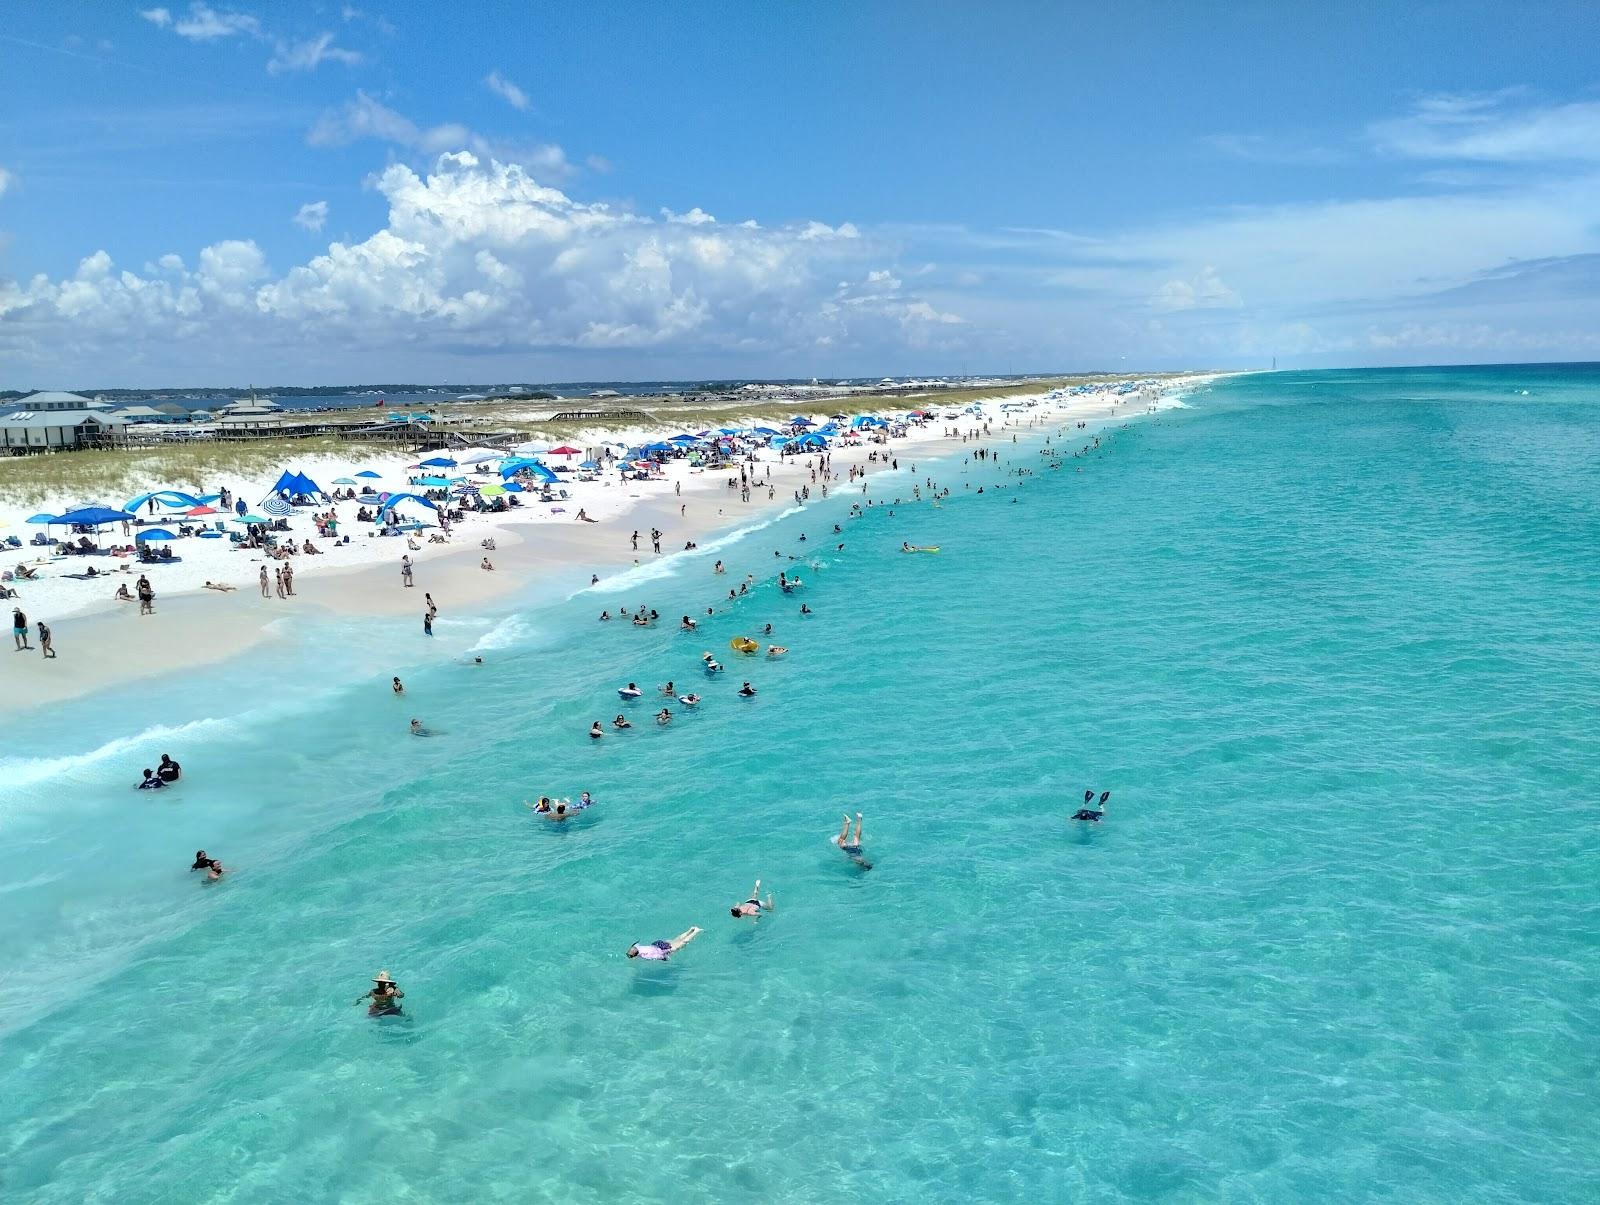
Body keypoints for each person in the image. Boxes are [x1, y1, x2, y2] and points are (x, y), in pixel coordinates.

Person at [626, 927, 702, 961]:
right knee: (676, 940)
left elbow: (658, 956)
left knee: (682, 944)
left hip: (662, 949)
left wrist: (665, 959)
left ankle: (696, 931)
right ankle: (691, 929)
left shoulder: (646, 956)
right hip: (657, 944)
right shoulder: (636, 946)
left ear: (635, 956)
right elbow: (635, 946)